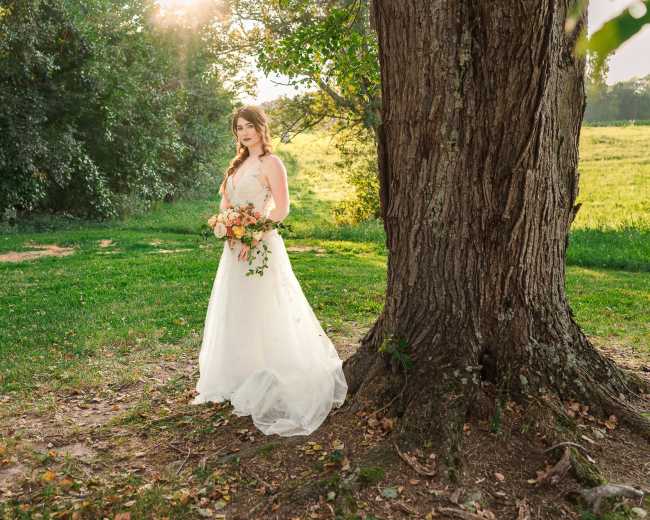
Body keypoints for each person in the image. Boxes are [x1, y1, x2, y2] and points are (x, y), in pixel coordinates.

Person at [190, 105, 348, 437]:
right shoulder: (237, 165)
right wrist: (229, 226)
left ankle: (272, 372)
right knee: (238, 310)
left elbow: (282, 208)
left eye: (249, 126)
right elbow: (225, 204)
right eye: (238, 128)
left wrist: (252, 233)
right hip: (235, 250)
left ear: (262, 128)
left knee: (264, 308)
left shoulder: (271, 163)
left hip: (260, 247)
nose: (244, 133)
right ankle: (240, 373)